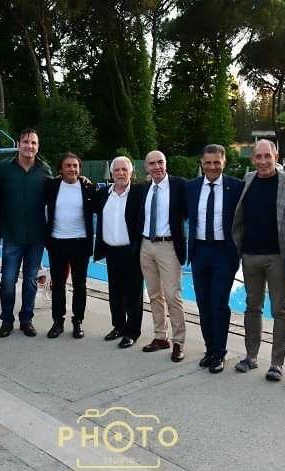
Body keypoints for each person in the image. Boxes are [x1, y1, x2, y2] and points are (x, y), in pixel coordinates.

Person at [231, 139, 285, 381]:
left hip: (278, 258)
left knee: (280, 311)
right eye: (258, 156)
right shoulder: (248, 180)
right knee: (252, 308)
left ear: (276, 156)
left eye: (267, 156)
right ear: (253, 158)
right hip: (250, 256)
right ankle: (251, 357)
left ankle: (276, 364)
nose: (262, 161)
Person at [185, 144, 243, 373]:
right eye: (208, 162)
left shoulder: (235, 187)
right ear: (201, 162)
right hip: (199, 251)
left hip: (224, 253)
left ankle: (219, 352)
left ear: (224, 162)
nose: (212, 167)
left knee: (219, 303)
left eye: (216, 162)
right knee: (203, 303)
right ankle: (209, 349)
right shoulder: (191, 187)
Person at [0, 128, 53, 337]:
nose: (29, 146)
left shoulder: (44, 170)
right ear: (18, 144)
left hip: (36, 236)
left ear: (38, 146)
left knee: (30, 281)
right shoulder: (4, 169)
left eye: (33, 143)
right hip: (12, 235)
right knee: (8, 281)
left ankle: (26, 319)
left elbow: (56, 195)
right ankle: (7, 320)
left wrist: (81, 181)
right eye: (26, 142)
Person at [138, 150, 187, 362]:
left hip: (168, 246)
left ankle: (178, 342)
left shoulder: (179, 185)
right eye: (152, 164)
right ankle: (160, 337)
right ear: (146, 167)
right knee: (154, 294)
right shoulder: (144, 188)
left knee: (172, 296)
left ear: (166, 164)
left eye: (160, 162)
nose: (157, 166)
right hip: (146, 245)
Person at [93, 156, 145, 348]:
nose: (121, 173)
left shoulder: (139, 193)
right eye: (117, 170)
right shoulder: (104, 193)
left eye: (124, 169)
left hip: (131, 251)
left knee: (133, 294)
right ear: (112, 173)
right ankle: (118, 326)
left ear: (131, 172)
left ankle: (132, 331)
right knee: (115, 292)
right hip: (111, 251)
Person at [44, 153, 95, 339]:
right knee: (58, 284)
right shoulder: (52, 186)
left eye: (75, 166)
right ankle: (58, 321)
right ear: (61, 169)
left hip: (80, 242)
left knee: (79, 284)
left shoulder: (87, 187)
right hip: (57, 242)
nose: (72, 169)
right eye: (68, 165)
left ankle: (78, 320)